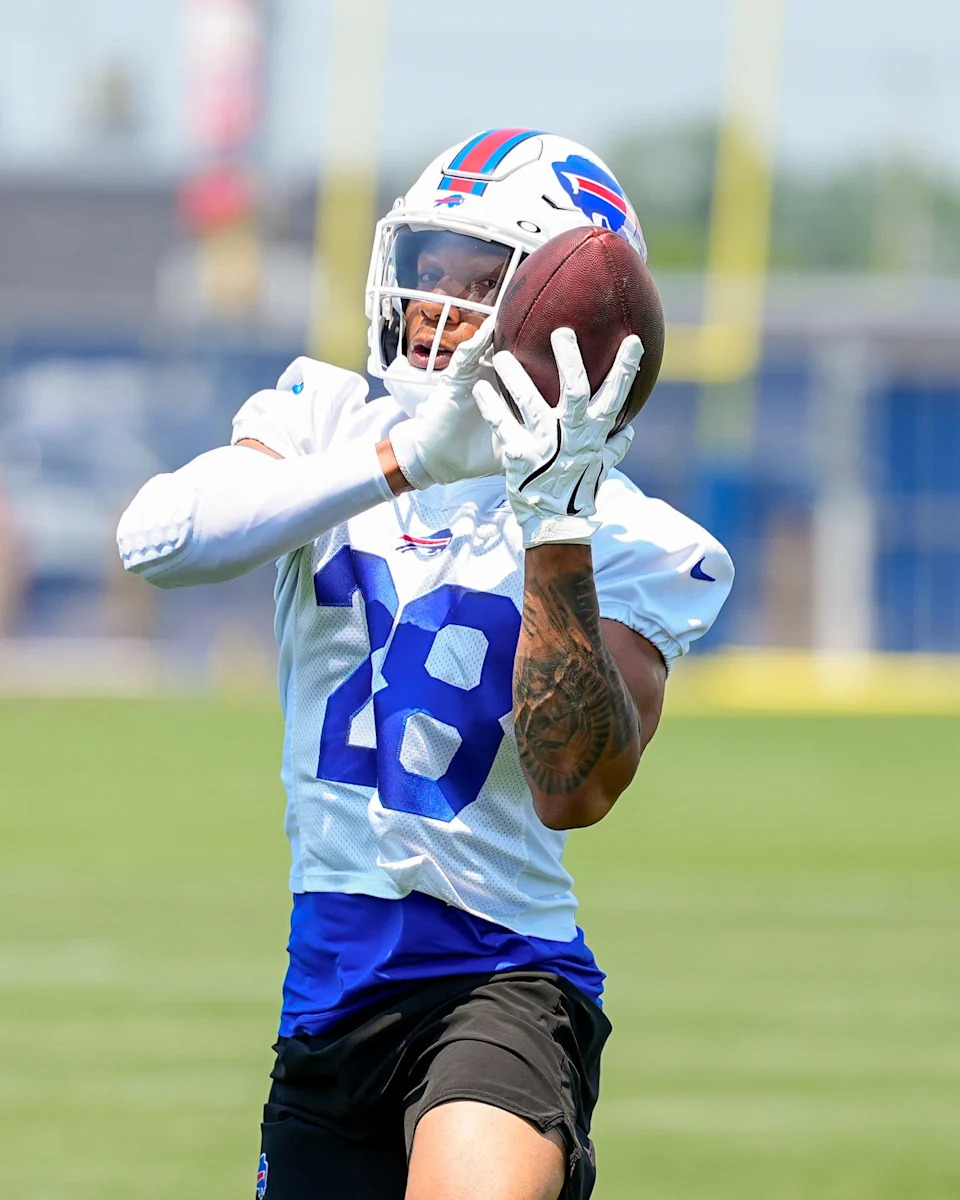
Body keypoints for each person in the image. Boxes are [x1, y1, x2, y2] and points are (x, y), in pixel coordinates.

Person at [117, 129, 733, 1200]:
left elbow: (575, 788)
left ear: (566, 319)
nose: (435, 300)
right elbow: (159, 540)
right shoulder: (327, 422)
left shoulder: (634, 536)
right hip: (330, 985)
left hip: (499, 975)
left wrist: (552, 529)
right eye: (430, 267)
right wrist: (399, 461)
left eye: (483, 278)